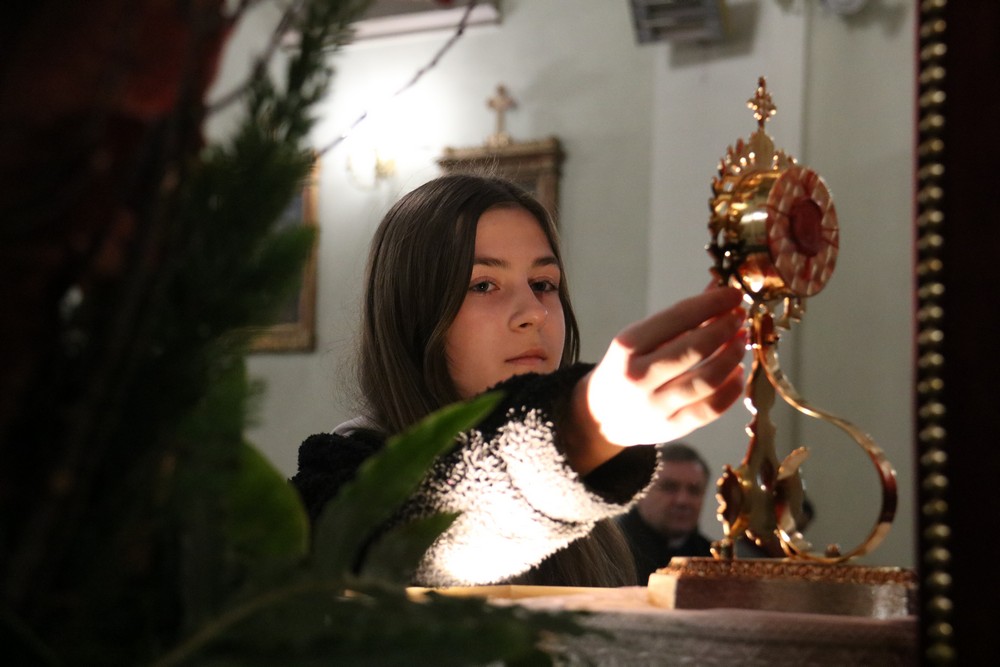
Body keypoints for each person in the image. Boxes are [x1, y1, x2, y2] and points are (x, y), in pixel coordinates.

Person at [290, 173, 747, 588]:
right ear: (413, 315)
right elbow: (414, 549)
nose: (534, 313)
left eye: (543, 284)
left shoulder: (593, 531)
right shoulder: (346, 480)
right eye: (483, 285)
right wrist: (583, 428)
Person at [615, 442, 715, 584]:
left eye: (694, 490)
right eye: (669, 487)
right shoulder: (611, 551)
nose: (682, 500)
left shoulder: (712, 559)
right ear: (640, 492)